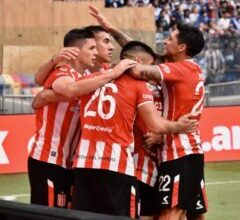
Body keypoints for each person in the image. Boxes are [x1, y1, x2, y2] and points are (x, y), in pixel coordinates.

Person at [71, 41, 198, 218]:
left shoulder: (92, 79)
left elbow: (69, 90)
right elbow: (155, 125)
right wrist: (180, 126)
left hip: (83, 164)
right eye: (151, 65)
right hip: (116, 164)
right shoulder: (139, 84)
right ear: (138, 60)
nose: (151, 72)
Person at [29, 28, 136, 208]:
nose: (96, 52)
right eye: (92, 48)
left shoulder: (89, 76)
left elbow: (137, 53)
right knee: (46, 215)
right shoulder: (62, 71)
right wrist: (112, 73)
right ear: (76, 51)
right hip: (47, 159)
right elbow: (70, 89)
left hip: (71, 163)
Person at [129, 23, 208, 220]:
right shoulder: (188, 69)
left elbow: (139, 70)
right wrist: (113, 30)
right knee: (188, 213)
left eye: (171, 38)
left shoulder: (181, 69)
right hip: (182, 151)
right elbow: (141, 54)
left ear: (182, 47)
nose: (165, 40)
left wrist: (122, 64)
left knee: (172, 212)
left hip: (182, 152)